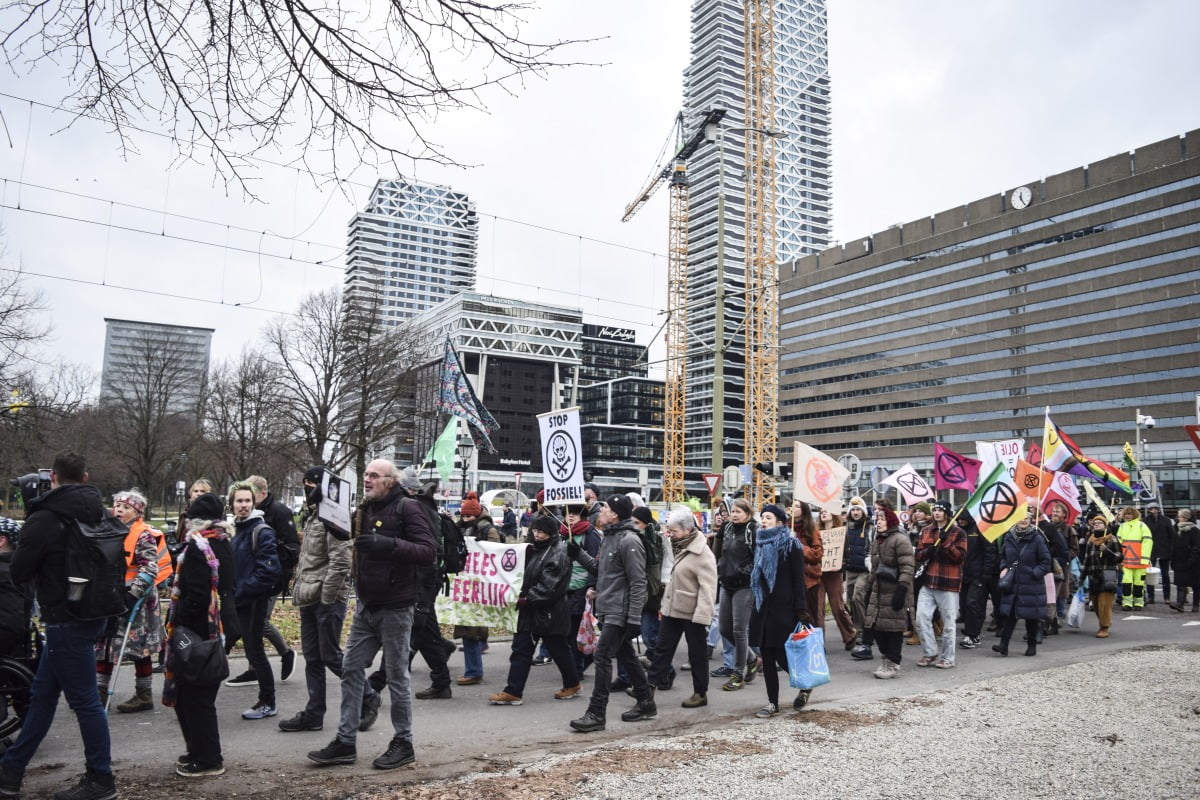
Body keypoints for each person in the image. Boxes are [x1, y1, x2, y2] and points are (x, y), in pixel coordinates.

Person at [0, 452, 119, 800]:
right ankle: (12, 769)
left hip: (64, 618)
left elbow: (20, 572)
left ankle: (101, 779)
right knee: (42, 695)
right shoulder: (100, 510)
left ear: (52, 476)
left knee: (84, 702)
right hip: (94, 611)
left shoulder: (45, 517)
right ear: (85, 477)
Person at [307, 459, 435, 770]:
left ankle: (404, 742)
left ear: (391, 480)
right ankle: (345, 742)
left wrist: (388, 544)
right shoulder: (366, 509)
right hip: (367, 605)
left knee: (396, 676)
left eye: (374, 476)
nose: (367, 479)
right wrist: (325, 513)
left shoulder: (408, 508)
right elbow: (344, 535)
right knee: (350, 667)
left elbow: (428, 551)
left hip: (396, 606)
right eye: (365, 474)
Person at [278, 466, 364, 732]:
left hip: (328, 600)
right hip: (309, 597)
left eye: (312, 484)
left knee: (331, 656)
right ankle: (314, 713)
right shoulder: (314, 516)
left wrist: (327, 600)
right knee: (313, 657)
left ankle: (369, 696)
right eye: (305, 483)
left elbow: (340, 563)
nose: (307, 489)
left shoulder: (334, 517)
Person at [164, 492, 237, 778]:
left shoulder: (198, 547)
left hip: (196, 633)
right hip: (217, 630)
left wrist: (180, 628)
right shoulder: (223, 543)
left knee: (194, 698)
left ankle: (207, 758)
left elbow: (195, 596)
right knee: (198, 696)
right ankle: (199, 751)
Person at [566, 494, 651, 732]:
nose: (600, 511)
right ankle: (646, 702)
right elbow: (600, 569)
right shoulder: (609, 538)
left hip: (620, 611)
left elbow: (638, 582)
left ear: (614, 514)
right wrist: (578, 554)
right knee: (626, 656)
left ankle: (596, 713)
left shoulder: (629, 541)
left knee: (602, 657)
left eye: (604, 508)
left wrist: (634, 618)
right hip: (607, 606)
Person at [488, 515, 579, 705]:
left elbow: (549, 587)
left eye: (541, 532)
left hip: (549, 612)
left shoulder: (558, 554)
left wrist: (526, 599)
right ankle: (513, 691)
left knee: (559, 650)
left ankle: (572, 684)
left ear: (551, 533)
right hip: (533, 610)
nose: (536, 535)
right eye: (535, 531)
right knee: (521, 649)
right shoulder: (535, 550)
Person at [98, 490, 170, 713]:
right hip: (110, 596)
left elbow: (150, 567)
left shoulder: (143, 534)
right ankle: (98, 692)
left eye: (126, 507)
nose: (119, 510)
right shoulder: (108, 530)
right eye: (117, 505)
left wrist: (132, 594)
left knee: (140, 648)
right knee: (105, 644)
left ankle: (143, 694)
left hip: (137, 599)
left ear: (137, 513)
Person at [648, 509, 717, 709]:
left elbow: (709, 587)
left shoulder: (702, 553)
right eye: (669, 530)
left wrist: (703, 615)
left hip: (692, 612)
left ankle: (700, 692)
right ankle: (648, 687)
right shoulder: (677, 545)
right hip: (673, 608)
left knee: (697, 653)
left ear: (688, 530)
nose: (670, 534)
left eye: (674, 530)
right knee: (663, 649)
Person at [227, 482, 282, 720]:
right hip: (237, 600)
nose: (243, 505)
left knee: (255, 650)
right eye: (239, 501)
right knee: (242, 647)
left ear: (254, 502)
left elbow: (269, 571)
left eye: (247, 501)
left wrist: (241, 591)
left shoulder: (261, 531)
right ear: (231, 504)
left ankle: (268, 701)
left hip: (253, 600)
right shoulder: (235, 530)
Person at [748, 503, 807, 717]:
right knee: (766, 656)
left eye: (769, 518)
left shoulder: (791, 545)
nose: (764, 521)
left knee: (781, 655)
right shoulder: (760, 543)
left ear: (781, 522)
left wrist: (801, 608)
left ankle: (805, 683)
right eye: (763, 517)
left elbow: (798, 579)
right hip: (763, 606)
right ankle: (772, 702)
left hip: (784, 608)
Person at [239, 475, 298, 683]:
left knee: (259, 622)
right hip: (252, 575)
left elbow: (292, 548)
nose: (247, 501)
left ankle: (284, 653)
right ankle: (253, 666)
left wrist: (280, 575)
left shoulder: (280, 511)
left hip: (271, 577)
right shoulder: (252, 513)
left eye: (251, 495)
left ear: (262, 493)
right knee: (249, 622)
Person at [710, 498, 758, 691]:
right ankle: (752, 658)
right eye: (734, 511)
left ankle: (738, 673)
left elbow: (758, 558)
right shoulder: (727, 528)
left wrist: (744, 571)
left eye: (739, 511)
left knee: (739, 629)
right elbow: (717, 551)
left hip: (744, 586)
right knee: (724, 628)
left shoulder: (753, 530)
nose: (735, 515)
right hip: (726, 583)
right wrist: (719, 569)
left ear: (748, 513)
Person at [913, 501, 966, 669]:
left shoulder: (958, 533)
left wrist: (947, 544)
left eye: (940, 510)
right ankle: (930, 652)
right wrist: (926, 552)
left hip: (949, 582)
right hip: (929, 581)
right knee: (921, 617)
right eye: (934, 510)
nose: (936, 513)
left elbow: (960, 558)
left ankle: (948, 658)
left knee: (949, 623)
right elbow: (919, 555)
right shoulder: (926, 530)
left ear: (947, 513)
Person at [453, 492, 500, 686]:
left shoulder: (488, 530)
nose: (465, 519)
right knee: (467, 626)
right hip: (465, 583)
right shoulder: (461, 528)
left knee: (470, 628)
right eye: (463, 516)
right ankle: (473, 669)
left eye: (468, 516)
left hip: (479, 585)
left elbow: (496, 553)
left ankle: (474, 671)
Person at [993, 510, 1052, 657]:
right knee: (1010, 615)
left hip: (1031, 584)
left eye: (1026, 518)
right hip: (1013, 583)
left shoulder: (1037, 539)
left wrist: (1034, 573)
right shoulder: (1009, 537)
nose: (1023, 521)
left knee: (1031, 617)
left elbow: (1046, 562)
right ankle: (1003, 645)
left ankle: (1031, 646)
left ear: (1031, 520)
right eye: (1020, 518)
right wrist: (1004, 568)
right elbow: (1003, 557)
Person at [864, 505, 914, 680]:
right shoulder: (877, 540)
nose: (879, 522)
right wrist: (869, 587)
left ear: (891, 521)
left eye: (883, 519)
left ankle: (893, 662)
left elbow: (907, 566)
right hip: (879, 590)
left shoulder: (900, 540)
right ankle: (886, 658)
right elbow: (875, 567)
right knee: (877, 627)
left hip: (895, 589)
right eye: (877, 519)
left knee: (893, 629)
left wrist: (902, 589)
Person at [816, 508, 856, 651]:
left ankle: (850, 635)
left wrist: (840, 567)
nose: (823, 513)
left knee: (837, 606)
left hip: (834, 573)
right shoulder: (816, 533)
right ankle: (819, 642)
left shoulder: (841, 533)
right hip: (819, 574)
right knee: (818, 609)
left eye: (826, 511)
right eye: (821, 512)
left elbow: (846, 555)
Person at [958, 509, 994, 650]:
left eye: (963, 518)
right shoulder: (958, 531)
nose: (960, 521)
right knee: (964, 606)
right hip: (962, 575)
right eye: (959, 518)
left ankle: (971, 635)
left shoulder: (979, 529)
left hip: (977, 575)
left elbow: (990, 550)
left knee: (973, 603)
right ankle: (973, 631)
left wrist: (986, 572)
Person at [1081, 513, 1122, 638]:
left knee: (1104, 603)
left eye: (1099, 523)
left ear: (1105, 525)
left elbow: (1119, 557)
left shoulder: (1112, 539)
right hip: (1094, 576)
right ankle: (1103, 623)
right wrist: (1082, 577)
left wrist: (1107, 551)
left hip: (1107, 575)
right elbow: (1087, 560)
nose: (1096, 525)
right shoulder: (1091, 541)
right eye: (1095, 523)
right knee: (1096, 604)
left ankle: (1104, 627)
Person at [790, 500, 823, 651]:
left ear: (804, 511)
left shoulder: (812, 530)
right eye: (792, 506)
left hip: (809, 581)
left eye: (797, 506)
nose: (793, 509)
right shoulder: (785, 527)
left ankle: (814, 648)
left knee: (809, 615)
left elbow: (817, 554)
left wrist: (800, 546)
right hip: (789, 579)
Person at [844, 497, 875, 660]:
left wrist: (872, 567)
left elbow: (873, 547)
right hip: (850, 569)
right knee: (849, 599)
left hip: (864, 570)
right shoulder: (846, 526)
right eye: (853, 510)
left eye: (858, 510)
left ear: (863, 512)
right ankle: (857, 627)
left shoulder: (870, 527)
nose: (855, 513)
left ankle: (863, 631)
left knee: (857, 597)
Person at [1116, 507, 1153, 610]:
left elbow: (1147, 542)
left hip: (1139, 561)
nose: (1127, 515)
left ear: (1135, 515)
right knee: (1126, 582)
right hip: (1127, 560)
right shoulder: (1122, 527)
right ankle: (1127, 603)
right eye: (1126, 514)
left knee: (1138, 583)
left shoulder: (1142, 526)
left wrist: (1145, 558)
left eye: (1130, 514)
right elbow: (1118, 543)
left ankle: (1138, 603)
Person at [1143, 501, 1174, 604]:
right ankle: (1151, 596)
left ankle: (1167, 597)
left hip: (1164, 550)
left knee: (1165, 575)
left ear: (1158, 509)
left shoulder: (1166, 520)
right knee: (1150, 573)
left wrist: (1170, 550)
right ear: (1148, 510)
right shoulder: (1145, 521)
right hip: (1150, 550)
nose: (1154, 511)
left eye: (1156, 509)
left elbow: (1172, 536)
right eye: (1152, 509)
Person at [1169, 509, 1199, 612]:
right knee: (1180, 583)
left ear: (1186, 518)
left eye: (1180, 517)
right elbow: (1174, 545)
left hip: (1193, 562)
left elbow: (1197, 547)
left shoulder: (1194, 530)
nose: (1178, 518)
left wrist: (1191, 560)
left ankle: (1195, 605)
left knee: (1196, 585)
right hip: (1179, 560)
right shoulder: (1177, 529)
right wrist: (1172, 558)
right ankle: (1180, 604)